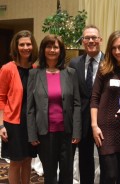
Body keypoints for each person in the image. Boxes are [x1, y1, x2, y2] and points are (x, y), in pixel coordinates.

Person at [27, 34, 81, 184]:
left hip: (67, 133)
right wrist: (32, 134)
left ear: (61, 50)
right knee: (49, 175)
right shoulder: (34, 74)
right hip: (45, 134)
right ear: (43, 50)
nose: (52, 50)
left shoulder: (70, 73)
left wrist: (77, 131)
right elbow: (30, 107)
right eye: (48, 46)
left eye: (55, 47)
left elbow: (77, 104)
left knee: (67, 174)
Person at [90, 30, 120, 184]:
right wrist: (94, 126)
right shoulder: (104, 69)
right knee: (109, 174)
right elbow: (95, 98)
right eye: (114, 48)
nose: (117, 51)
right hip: (105, 128)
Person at [0, 30, 38, 184]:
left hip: (31, 123)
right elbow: (1, 97)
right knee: (15, 162)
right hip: (13, 123)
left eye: (28, 44)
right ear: (16, 47)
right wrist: (1, 124)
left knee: (28, 160)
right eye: (21, 44)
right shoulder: (8, 68)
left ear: (32, 46)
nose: (25, 47)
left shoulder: (36, 69)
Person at [69, 24, 104, 184]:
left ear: (100, 40)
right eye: (87, 38)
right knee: (85, 159)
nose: (91, 41)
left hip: (104, 120)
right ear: (82, 41)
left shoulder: (109, 62)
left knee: (106, 162)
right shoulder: (74, 63)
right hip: (82, 120)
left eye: (94, 38)